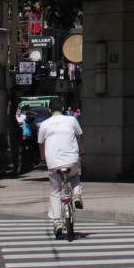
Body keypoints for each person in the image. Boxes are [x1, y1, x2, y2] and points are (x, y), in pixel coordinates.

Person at [38, 96, 84, 238]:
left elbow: (41, 143)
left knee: (55, 191)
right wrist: (81, 151)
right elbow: (79, 136)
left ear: (50, 110)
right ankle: (77, 195)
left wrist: (43, 158)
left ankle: (57, 221)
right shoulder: (71, 120)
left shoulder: (44, 124)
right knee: (75, 175)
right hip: (72, 160)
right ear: (63, 108)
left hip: (54, 164)